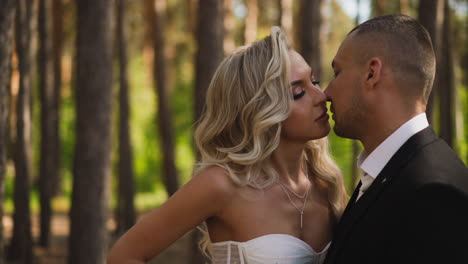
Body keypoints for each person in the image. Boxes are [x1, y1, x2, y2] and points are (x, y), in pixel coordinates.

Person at [107, 26, 347, 264]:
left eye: (314, 81)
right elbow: (124, 255)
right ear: (260, 108)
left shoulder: (325, 183)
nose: (321, 96)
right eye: (298, 92)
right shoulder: (223, 184)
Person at [323, 14, 468, 264]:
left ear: (371, 74)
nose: (326, 92)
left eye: (337, 72)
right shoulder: (388, 170)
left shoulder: (434, 194)